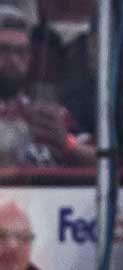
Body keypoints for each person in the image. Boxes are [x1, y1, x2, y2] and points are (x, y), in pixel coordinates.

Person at [0, 19, 93, 166]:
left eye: (21, 52)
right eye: (3, 50)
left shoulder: (51, 115)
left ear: (30, 59)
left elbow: (103, 163)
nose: (12, 59)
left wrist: (66, 144)